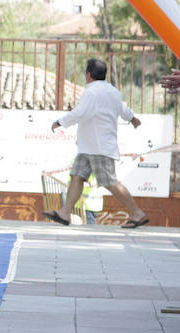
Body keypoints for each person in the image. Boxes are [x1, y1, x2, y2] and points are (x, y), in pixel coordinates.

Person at [44, 58, 148, 228]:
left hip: (98, 147)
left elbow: (80, 112)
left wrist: (60, 121)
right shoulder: (113, 91)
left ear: (88, 74)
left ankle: (137, 213)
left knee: (110, 182)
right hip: (90, 147)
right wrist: (133, 119)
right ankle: (65, 212)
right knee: (77, 177)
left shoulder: (91, 93)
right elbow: (123, 110)